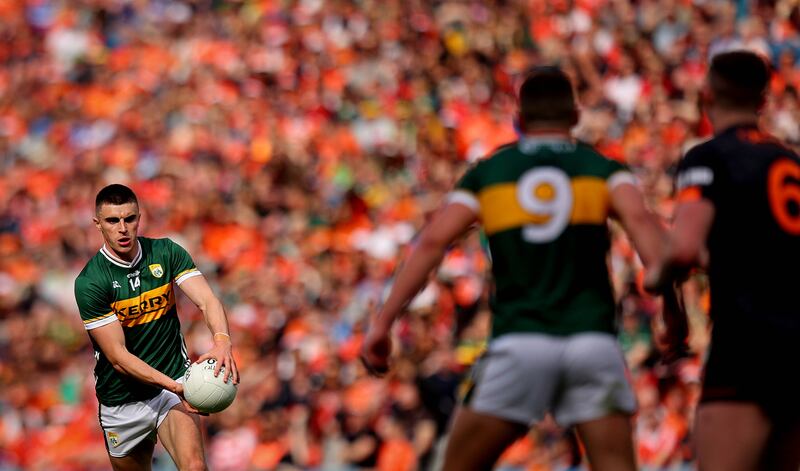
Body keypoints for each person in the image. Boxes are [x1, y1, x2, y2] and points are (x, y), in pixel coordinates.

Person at [361, 67, 669, 471]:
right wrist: (674, 310)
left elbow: (433, 243)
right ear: (575, 116)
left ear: (519, 119)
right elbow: (646, 230)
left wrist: (383, 323)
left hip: (520, 344)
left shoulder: (491, 173)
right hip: (592, 342)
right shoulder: (603, 170)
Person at [646, 50, 800, 471]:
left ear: (707, 96)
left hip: (747, 342)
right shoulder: (790, 161)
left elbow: (682, 248)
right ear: (763, 101)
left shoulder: (709, 157)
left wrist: (655, 276)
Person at [74, 184, 240, 471]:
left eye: (130, 219)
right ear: (97, 224)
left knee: (195, 467)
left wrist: (222, 341)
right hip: (122, 400)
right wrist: (175, 386)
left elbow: (207, 300)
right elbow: (118, 357)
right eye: (113, 221)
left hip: (171, 385)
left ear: (140, 217)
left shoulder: (165, 252)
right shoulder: (91, 282)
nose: (123, 228)